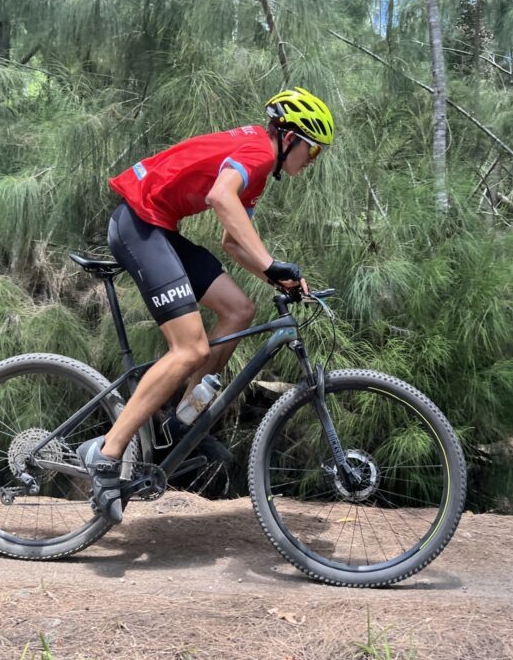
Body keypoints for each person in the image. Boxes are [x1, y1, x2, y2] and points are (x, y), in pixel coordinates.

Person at [76, 87, 335, 523]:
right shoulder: (257, 150)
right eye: (313, 150)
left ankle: (185, 419)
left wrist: (278, 276)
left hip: (160, 227)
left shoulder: (256, 167)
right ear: (290, 137)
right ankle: (106, 452)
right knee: (190, 348)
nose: (313, 161)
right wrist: (271, 265)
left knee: (239, 311)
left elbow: (234, 241)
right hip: (138, 224)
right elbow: (219, 198)